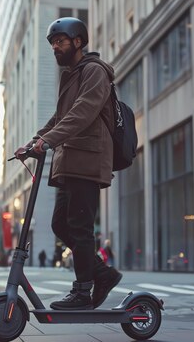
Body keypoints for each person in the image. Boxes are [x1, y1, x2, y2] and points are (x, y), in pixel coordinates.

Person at [14, 17, 121, 310]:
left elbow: (84, 112)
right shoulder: (71, 75)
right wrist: (33, 140)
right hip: (70, 160)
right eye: (52, 43)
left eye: (60, 41)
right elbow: (61, 117)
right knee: (61, 224)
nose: (55, 47)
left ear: (77, 41)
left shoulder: (95, 72)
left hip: (87, 159)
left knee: (80, 226)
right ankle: (103, 273)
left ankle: (83, 291)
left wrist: (48, 141)